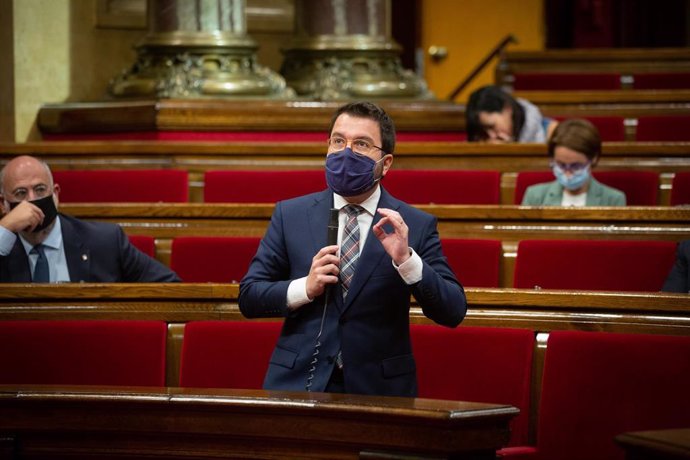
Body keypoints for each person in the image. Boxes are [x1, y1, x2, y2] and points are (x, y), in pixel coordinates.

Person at [239, 101, 467, 397]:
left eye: (361, 144)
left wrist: (407, 261)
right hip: (298, 384)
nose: (346, 152)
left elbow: (453, 311)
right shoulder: (290, 214)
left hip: (380, 391)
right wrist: (305, 288)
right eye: (338, 141)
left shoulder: (413, 224)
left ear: (385, 163)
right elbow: (249, 297)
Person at [0, 155, 180, 282]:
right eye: (21, 193)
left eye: (40, 190)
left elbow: (170, 287)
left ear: (55, 194)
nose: (32, 201)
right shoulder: (3, 247)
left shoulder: (105, 241)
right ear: (3, 204)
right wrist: (4, 227)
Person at [522, 118, 627, 206]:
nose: (568, 173)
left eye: (576, 166)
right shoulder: (535, 196)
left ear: (593, 159)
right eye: (561, 165)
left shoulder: (613, 200)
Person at [466, 85, 558, 143]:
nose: (492, 136)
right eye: (483, 130)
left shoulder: (552, 133)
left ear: (507, 109)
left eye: (491, 126)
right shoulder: (481, 140)